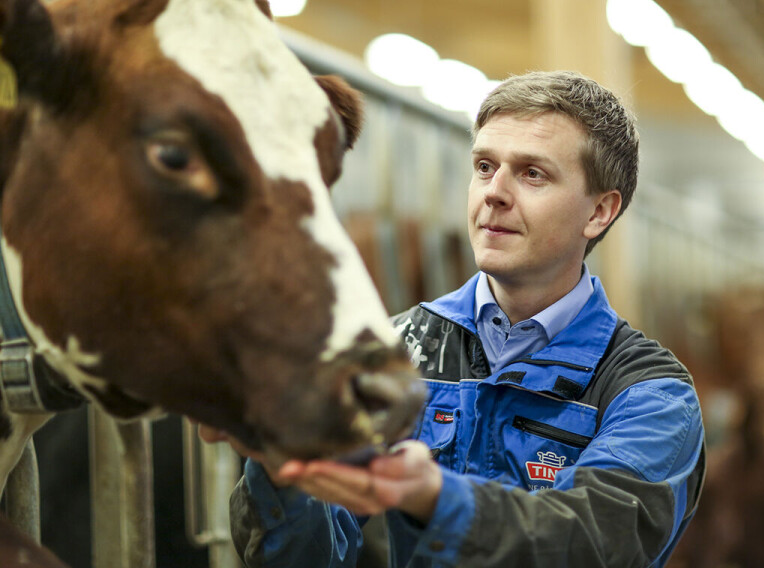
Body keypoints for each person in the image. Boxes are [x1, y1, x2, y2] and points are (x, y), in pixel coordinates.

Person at [204, 70, 705, 567]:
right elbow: (306, 560)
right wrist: (278, 461)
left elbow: (595, 542)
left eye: (533, 173)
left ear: (599, 212)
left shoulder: (651, 395)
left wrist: (437, 499)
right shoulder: (394, 350)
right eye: (485, 167)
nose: (495, 193)